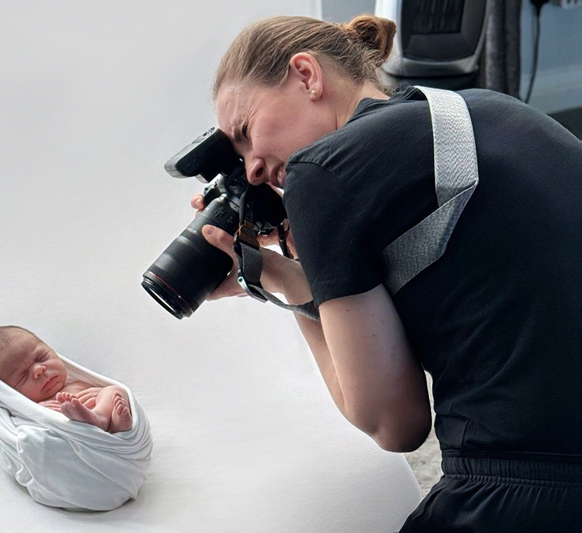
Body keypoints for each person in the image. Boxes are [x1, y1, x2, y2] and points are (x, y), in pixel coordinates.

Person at [191, 13, 582, 532]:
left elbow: (393, 422)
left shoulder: (320, 171)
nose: (253, 169)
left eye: (244, 134)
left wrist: (267, 277)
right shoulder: (491, 108)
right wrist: (288, 267)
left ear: (307, 75)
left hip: (520, 494)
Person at [0, 325, 133, 433]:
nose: (38, 370)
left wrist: (100, 394)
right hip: (80, 443)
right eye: (22, 376)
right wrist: (42, 413)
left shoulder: (80, 384)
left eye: (41, 357)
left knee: (115, 390)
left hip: (106, 428)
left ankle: (107, 421)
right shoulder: (31, 411)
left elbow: (108, 396)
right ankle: (100, 422)